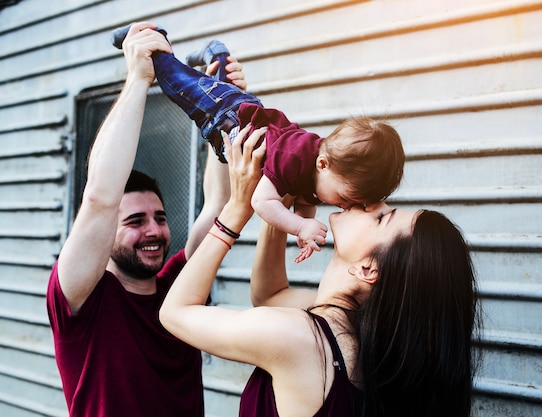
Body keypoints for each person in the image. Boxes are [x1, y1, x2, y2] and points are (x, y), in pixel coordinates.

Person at [159, 126, 481, 416]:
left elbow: (175, 313)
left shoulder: (300, 338)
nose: (373, 203)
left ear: (369, 269)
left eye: (383, 217)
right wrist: (286, 203)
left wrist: (238, 208)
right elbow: (270, 295)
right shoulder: (361, 339)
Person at [45, 22, 255, 417]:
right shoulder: (81, 297)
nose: (154, 231)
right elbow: (99, 198)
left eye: (159, 217)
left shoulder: (178, 286)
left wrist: (227, 105)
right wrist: (140, 79)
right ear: (105, 232)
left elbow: (217, 204)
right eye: (135, 221)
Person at [111, 23, 406, 262]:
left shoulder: (320, 179)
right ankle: (153, 42)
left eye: (352, 203)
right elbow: (262, 201)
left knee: (216, 82)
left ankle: (218, 53)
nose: (344, 205)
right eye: (345, 197)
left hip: (237, 127)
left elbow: (304, 205)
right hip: (226, 113)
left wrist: (301, 232)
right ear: (323, 163)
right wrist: (299, 225)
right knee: (177, 84)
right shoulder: (294, 159)